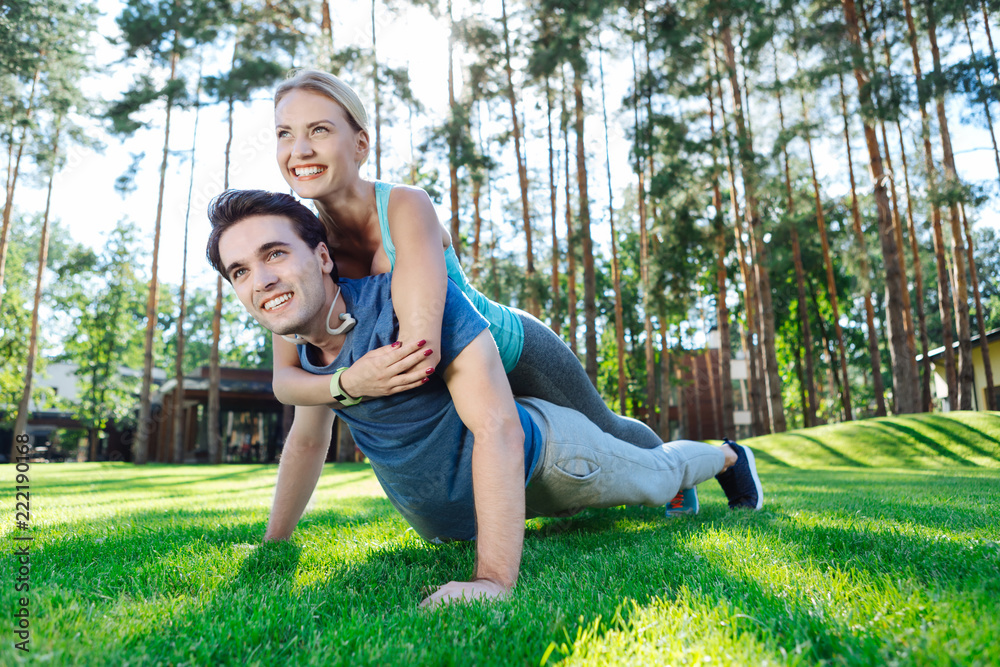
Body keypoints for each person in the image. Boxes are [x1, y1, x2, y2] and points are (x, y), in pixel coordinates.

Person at [206, 189, 765, 608]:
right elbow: (307, 441)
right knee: (601, 510)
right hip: (469, 513)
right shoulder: (304, 348)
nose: (262, 280)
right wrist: (274, 544)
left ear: (324, 257)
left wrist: (492, 579)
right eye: (241, 271)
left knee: (658, 475)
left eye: (274, 254)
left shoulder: (406, 303)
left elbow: (498, 428)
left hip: (551, 458)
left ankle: (727, 457)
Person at [266, 69, 682, 489]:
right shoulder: (299, 245)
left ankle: (701, 467)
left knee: (608, 430)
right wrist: (342, 382)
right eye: (285, 133)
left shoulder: (405, 206)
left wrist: (333, 383)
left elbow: (419, 352)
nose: (299, 150)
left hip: (514, 349)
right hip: (455, 386)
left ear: (361, 143)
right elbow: (286, 379)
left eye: (318, 130)